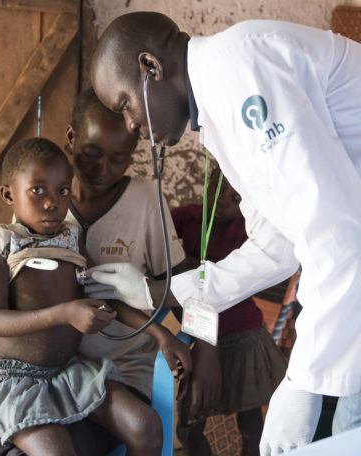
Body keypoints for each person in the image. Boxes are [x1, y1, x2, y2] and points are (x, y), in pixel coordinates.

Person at [86, 12, 361, 455]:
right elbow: (277, 245)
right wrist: (157, 291)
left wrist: (302, 383)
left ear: (150, 67)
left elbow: (337, 236)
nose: (133, 126)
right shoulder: (217, 113)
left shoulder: (243, 70)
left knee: (351, 428)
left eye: (124, 104)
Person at [0, 90, 189, 456]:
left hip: (73, 371)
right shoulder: (0, 241)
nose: (51, 203)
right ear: (10, 196)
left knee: (145, 425)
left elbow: (102, 294)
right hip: (16, 379)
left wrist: (162, 336)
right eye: (39, 191)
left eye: (61, 192)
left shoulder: (71, 238)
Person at [171, 166, 287, 456]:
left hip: (241, 338)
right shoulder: (188, 216)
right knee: (189, 424)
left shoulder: (248, 232)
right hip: (200, 336)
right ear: (207, 183)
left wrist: (188, 268)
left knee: (250, 422)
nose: (223, 200)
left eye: (235, 197)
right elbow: (158, 232)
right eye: (217, 189)